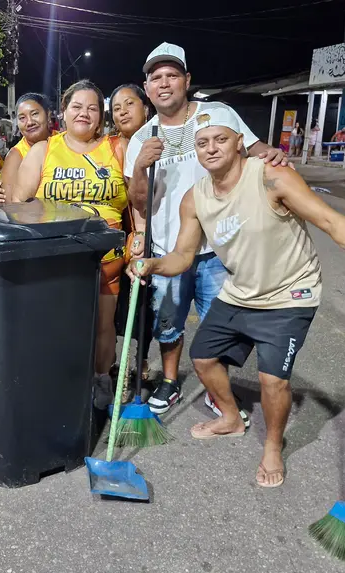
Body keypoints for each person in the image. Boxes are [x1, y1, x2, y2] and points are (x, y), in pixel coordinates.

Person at [130, 106, 345, 487]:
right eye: (202, 143)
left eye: (221, 139)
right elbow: (183, 257)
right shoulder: (195, 198)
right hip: (241, 291)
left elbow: (329, 221)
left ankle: (273, 445)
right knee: (203, 357)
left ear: (240, 143)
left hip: (290, 293)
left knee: (273, 381)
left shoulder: (271, 177)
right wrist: (152, 266)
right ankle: (231, 418)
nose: (211, 148)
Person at [125, 42, 288, 417]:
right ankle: (169, 381)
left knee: (221, 323)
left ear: (187, 80)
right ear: (147, 87)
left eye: (171, 75)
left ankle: (218, 390)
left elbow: (254, 148)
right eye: (156, 78)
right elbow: (138, 202)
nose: (164, 84)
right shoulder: (142, 138)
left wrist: (273, 154)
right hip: (169, 249)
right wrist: (141, 168)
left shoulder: (218, 114)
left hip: (220, 246)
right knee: (169, 323)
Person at [15, 80, 129, 408]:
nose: (84, 113)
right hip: (57, 257)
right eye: (77, 106)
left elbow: (136, 204)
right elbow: (19, 203)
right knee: (57, 324)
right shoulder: (43, 150)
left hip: (107, 256)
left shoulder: (117, 148)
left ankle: (100, 378)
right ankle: (59, 379)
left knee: (104, 325)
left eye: (93, 108)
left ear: (102, 116)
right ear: (63, 112)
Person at [109, 83, 152, 388]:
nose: (122, 111)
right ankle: (117, 366)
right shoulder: (109, 145)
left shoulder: (157, 142)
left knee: (146, 303)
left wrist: (140, 235)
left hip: (146, 232)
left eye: (129, 104)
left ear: (145, 108)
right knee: (118, 305)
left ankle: (141, 360)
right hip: (117, 234)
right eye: (116, 107)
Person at [0, 93, 53, 192]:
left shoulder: (64, 141)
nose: (29, 122)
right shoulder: (15, 156)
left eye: (34, 114)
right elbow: (9, 203)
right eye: (22, 118)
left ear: (48, 115)